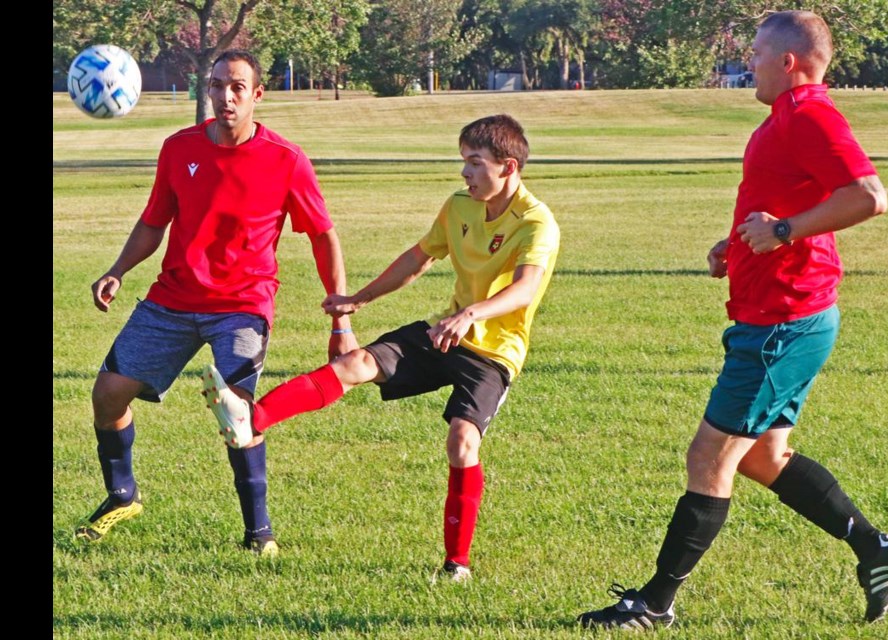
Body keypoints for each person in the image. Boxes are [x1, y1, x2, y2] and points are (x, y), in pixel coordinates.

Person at [578, 10, 888, 630]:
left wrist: (783, 231)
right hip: (774, 314)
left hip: (786, 321)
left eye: (755, 53)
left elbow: (869, 196)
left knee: (711, 457)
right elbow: (787, 201)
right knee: (760, 457)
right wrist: (737, 242)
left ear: (788, 62)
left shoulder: (812, 114)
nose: (746, 63)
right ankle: (878, 549)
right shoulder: (783, 119)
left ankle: (654, 603)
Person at [201, 114, 560, 580]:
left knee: (462, 442)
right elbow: (419, 258)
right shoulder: (459, 206)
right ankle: (251, 420)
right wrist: (359, 298)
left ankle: (457, 564)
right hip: (444, 332)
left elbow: (526, 289)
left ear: (508, 167)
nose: (464, 173)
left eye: (475, 163)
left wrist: (470, 313)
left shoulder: (537, 222)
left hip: (494, 351)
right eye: (463, 162)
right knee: (357, 363)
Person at [76, 49, 358, 556]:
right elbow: (153, 222)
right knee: (107, 395)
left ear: (257, 95)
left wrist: (339, 317)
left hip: (243, 305)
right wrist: (117, 270)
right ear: (207, 89)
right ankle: (122, 493)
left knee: (238, 414)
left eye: (237, 88)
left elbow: (323, 235)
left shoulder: (285, 159)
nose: (225, 97)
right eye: (217, 86)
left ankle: (259, 533)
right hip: (173, 298)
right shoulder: (177, 148)